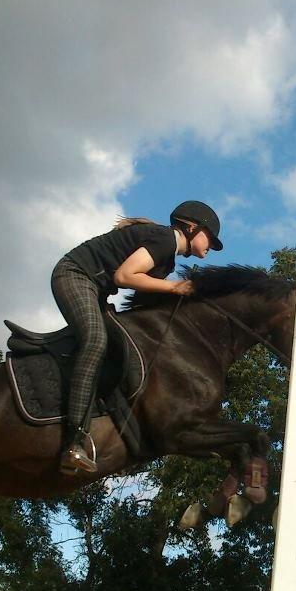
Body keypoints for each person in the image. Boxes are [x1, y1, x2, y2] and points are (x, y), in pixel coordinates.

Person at [51, 200, 223, 474]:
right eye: (210, 239)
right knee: (96, 341)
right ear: (192, 227)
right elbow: (124, 275)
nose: (211, 247)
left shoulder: (166, 259)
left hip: (95, 289)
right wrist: (175, 287)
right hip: (74, 275)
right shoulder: (165, 240)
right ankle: (73, 441)